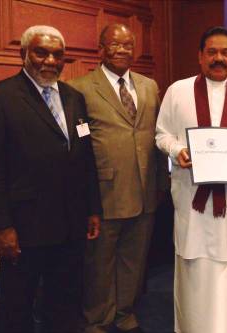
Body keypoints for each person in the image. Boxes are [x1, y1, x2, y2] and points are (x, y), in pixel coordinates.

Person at [0, 25, 102, 333]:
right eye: (41, 52)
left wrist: (93, 208)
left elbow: (85, 157)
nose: (50, 60)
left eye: (58, 54)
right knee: (18, 308)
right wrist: (1, 226)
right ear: (24, 53)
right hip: (23, 227)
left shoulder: (74, 97)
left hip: (70, 224)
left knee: (65, 303)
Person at [155, 26, 227, 333]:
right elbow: (161, 133)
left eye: (225, 53)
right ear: (200, 56)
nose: (219, 58)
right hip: (190, 201)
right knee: (190, 269)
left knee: (225, 272)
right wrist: (177, 149)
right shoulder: (178, 91)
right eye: (212, 52)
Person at [68, 23, 169, 333]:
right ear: (101, 48)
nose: (123, 50)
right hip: (104, 191)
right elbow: (78, 145)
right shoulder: (80, 87)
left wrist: (161, 184)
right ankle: (97, 320)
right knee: (99, 263)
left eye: (128, 44)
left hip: (145, 189)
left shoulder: (149, 85)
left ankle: (124, 314)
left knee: (134, 260)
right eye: (115, 44)